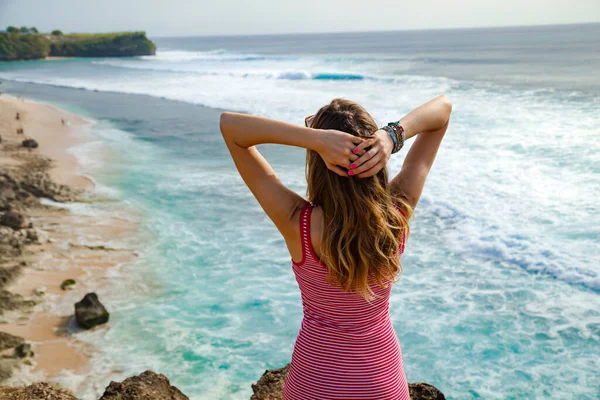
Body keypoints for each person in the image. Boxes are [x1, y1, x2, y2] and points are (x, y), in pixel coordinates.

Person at [220, 95, 452, 399]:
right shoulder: (396, 216)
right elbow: (442, 111)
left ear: (319, 161)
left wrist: (313, 139)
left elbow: (231, 128)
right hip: (381, 384)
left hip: (313, 384)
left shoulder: (297, 224)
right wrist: (391, 136)